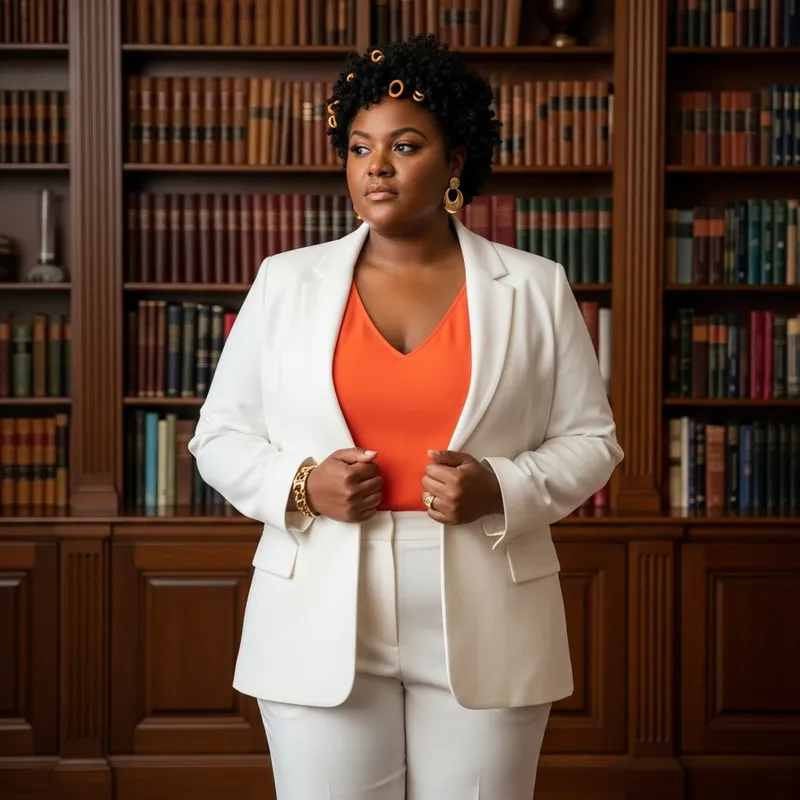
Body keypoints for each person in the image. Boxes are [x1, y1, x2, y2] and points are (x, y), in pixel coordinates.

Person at [188, 34, 623, 800]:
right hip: (317, 610)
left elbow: (592, 441)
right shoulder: (285, 283)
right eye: (360, 148)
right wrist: (302, 485)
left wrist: (500, 486)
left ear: (456, 160)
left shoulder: (534, 286)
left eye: (405, 146)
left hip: (488, 613)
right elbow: (219, 436)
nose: (376, 167)